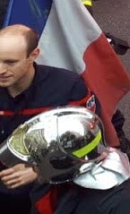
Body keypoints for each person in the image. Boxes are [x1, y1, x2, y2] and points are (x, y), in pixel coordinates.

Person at [0, 24, 100, 210]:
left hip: (52, 190)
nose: (1, 70)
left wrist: (39, 171)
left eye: (10, 62)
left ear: (34, 55)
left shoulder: (67, 87)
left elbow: (89, 144)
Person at [13, 106, 130, 213]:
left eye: (38, 160)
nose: (31, 166)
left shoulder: (123, 206)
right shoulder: (54, 180)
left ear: (63, 162)